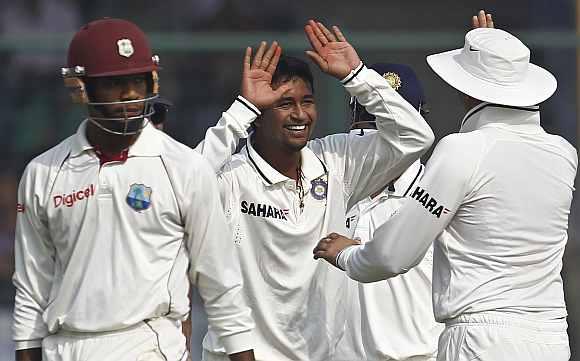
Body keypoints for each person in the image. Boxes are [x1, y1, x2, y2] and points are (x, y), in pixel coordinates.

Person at [313, 14, 577, 361]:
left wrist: (346, 254)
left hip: (480, 341)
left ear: (468, 90)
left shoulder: (461, 150)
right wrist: (491, 58)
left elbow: (392, 256)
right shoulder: (564, 153)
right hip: (551, 338)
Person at [12, 18, 255, 361]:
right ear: (80, 88)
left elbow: (221, 283)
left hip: (149, 344)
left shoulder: (184, 166)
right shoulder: (43, 173)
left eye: (137, 81)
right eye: (114, 83)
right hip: (65, 347)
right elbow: (31, 288)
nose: (130, 93)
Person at [201, 20, 434, 361]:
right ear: (258, 114)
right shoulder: (232, 176)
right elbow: (183, 184)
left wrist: (356, 76)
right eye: (283, 104)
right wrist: (241, 110)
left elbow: (416, 137)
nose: (299, 114)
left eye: (307, 101)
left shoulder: (335, 161)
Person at [338, 62, 444, 361]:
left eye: (390, 129)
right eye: (370, 126)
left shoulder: (440, 194)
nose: (378, 141)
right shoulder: (330, 184)